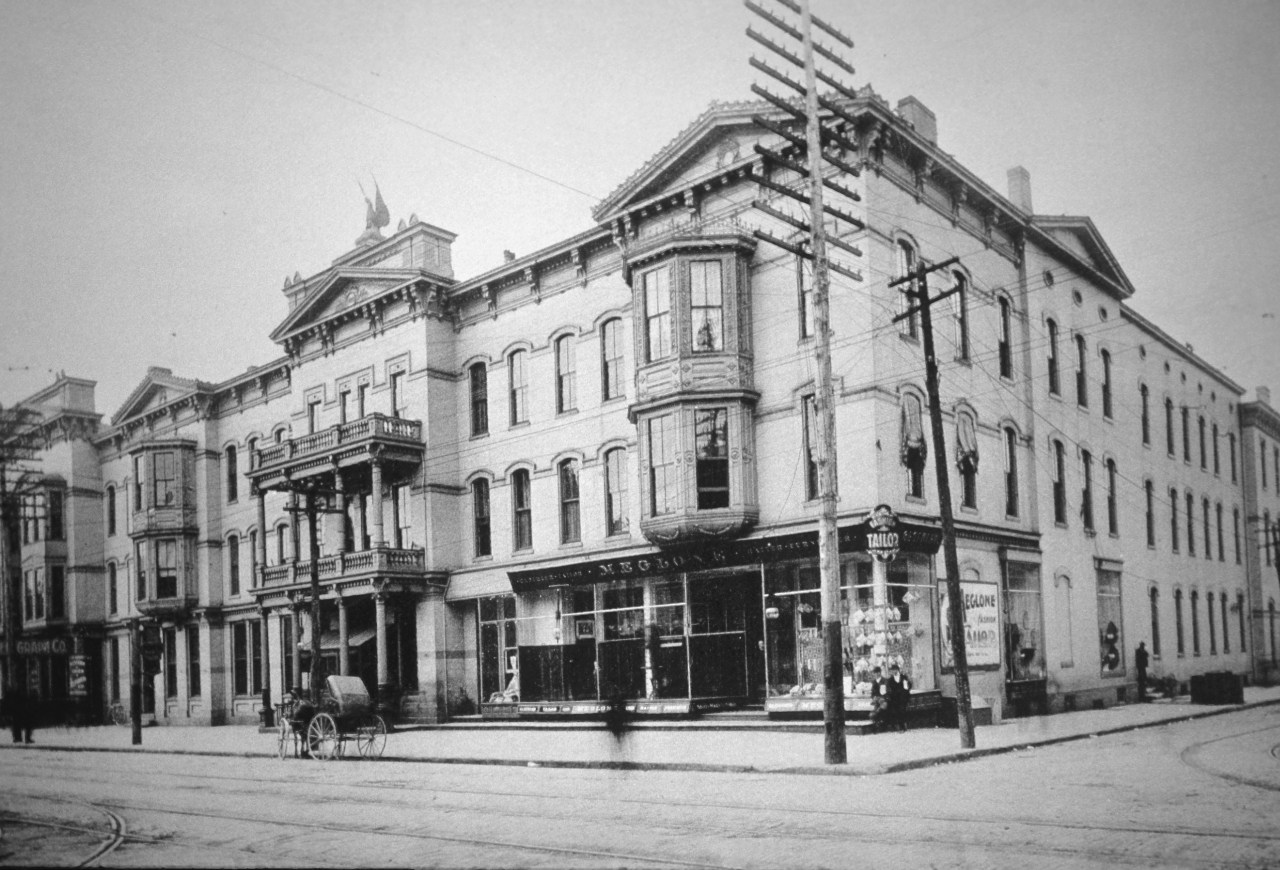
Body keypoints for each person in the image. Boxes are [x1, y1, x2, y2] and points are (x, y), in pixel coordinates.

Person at [5, 680, 33, 744]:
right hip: (19, 711)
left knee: (18, 725)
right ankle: (23, 738)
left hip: (18, 711)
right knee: (22, 725)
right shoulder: (16, 693)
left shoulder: (14, 693)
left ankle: (19, 738)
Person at [886, 663, 912, 732]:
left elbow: (907, 687)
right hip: (894, 699)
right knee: (896, 711)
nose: (894, 671)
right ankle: (899, 726)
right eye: (892, 670)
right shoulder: (890, 680)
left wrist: (906, 695)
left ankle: (904, 725)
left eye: (895, 670)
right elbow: (889, 689)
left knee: (902, 710)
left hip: (902, 697)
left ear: (898, 670)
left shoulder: (903, 677)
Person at [868, 667, 890, 732]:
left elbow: (888, 691)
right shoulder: (874, 682)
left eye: (878, 672)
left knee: (881, 709)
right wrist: (873, 697)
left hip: (884, 700)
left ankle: (881, 724)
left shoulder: (885, 680)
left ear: (880, 672)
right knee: (874, 712)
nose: (877, 674)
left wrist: (884, 698)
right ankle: (877, 724)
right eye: (875, 673)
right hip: (876, 700)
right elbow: (872, 693)